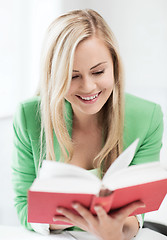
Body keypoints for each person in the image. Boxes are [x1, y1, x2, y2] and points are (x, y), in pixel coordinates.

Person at [12, 9, 163, 239]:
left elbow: (138, 211)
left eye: (98, 71)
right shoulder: (28, 116)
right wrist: (68, 218)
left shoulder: (147, 116)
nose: (88, 87)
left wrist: (114, 232)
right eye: (73, 76)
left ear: (115, 66)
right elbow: (24, 206)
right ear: (54, 76)